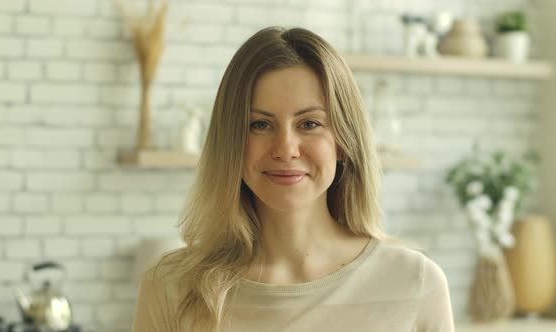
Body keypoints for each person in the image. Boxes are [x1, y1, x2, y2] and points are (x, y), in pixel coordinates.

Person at [132, 26, 454, 332]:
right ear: (231, 143)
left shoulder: (415, 283)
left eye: (309, 124)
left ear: (343, 142)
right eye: (260, 125)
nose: (286, 150)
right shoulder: (170, 288)